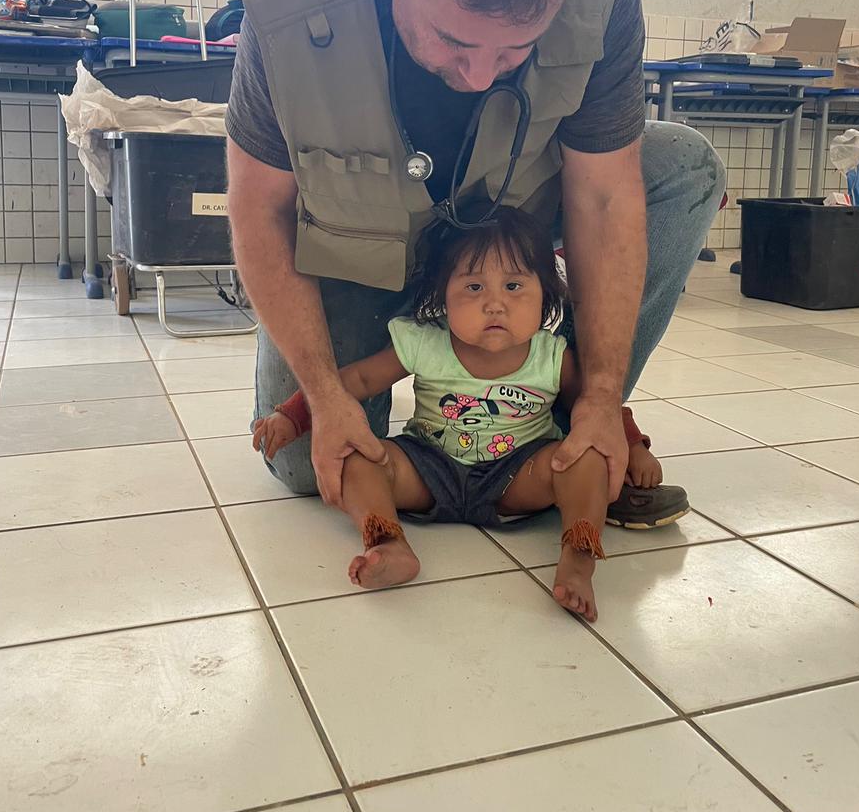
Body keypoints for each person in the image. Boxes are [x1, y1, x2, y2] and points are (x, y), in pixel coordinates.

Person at [227, 0, 725, 527]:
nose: (478, 75)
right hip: (352, 245)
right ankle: (323, 359)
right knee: (310, 463)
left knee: (684, 166)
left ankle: (570, 428)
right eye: (453, 40)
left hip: (505, 233)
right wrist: (326, 396)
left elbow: (604, 197)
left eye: (515, 50)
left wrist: (601, 393)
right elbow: (258, 210)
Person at [255, 209, 672, 620]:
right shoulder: (424, 342)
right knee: (357, 456)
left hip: (520, 474)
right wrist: (293, 415)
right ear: (443, 296)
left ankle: (578, 560)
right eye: (473, 287)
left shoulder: (552, 356)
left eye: (514, 285)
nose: (495, 304)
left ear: (545, 294)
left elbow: (597, 409)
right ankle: (387, 543)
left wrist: (634, 447)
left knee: (588, 458)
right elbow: (355, 381)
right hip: (427, 466)